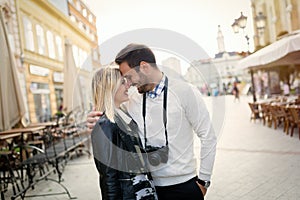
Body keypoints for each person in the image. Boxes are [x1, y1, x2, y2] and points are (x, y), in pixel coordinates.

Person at [87, 44, 217, 200]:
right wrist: (93, 120)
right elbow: (108, 110)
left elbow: (208, 136)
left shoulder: (185, 91)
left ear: (144, 67)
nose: (128, 83)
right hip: (149, 189)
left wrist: (203, 181)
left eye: (128, 76)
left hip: (185, 185)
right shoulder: (132, 99)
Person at [91, 66, 157, 200]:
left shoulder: (122, 116)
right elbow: (108, 178)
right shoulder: (105, 124)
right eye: (122, 82)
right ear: (110, 88)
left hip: (140, 191)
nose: (128, 85)